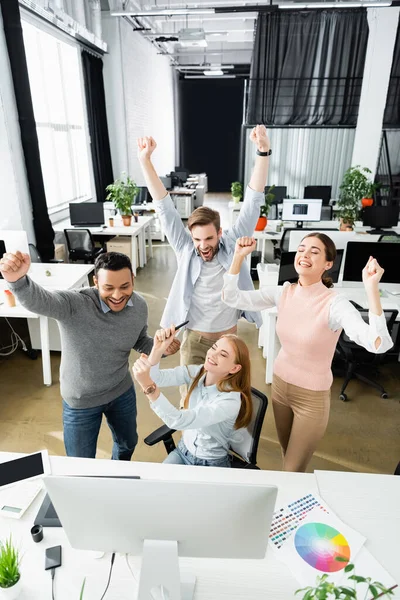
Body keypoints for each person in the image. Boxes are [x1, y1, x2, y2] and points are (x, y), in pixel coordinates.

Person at [222, 233, 393, 472]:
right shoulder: (284, 292)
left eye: (314, 252)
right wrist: (238, 257)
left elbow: (379, 344)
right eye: (301, 249)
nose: (305, 255)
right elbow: (231, 297)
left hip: (311, 399)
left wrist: (371, 288)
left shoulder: (335, 303)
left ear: (328, 264)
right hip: (281, 389)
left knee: (292, 470)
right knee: (287, 458)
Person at [0, 251, 179, 459]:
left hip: (121, 391)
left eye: (125, 286)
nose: (117, 295)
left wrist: (162, 349)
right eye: (108, 288)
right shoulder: (74, 304)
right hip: (81, 400)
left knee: (127, 444)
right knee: (80, 461)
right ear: (96, 282)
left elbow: (139, 340)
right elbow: (41, 301)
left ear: (133, 279)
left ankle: (116, 476)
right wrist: (17, 280)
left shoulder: (139, 306)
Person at [137, 126, 270, 398]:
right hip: (195, 342)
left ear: (220, 233)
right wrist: (145, 161)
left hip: (229, 341)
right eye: (197, 239)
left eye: (209, 238)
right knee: (192, 402)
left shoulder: (232, 243)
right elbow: (164, 207)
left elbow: (254, 200)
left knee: (228, 402)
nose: (203, 246)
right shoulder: (186, 248)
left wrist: (263, 152)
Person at [132, 326, 252, 468]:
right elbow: (156, 378)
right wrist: (157, 350)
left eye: (223, 354)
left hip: (210, 463)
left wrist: (149, 389)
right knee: (156, 486)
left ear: (234, 368)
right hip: (183, 451)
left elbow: (178, 420)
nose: (213, 355)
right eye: (213, 348)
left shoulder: (229, 401)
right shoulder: (198, 371)